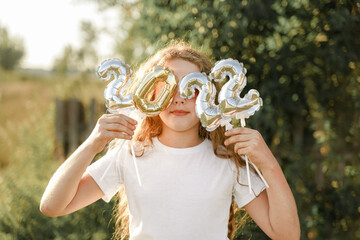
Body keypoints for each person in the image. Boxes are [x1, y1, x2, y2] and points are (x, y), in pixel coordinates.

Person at [40, 41, 300, 240]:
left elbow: (286, 234)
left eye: (192, 86)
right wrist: (93, 143)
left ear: (210, 95)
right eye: (168, 85)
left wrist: (268, 165)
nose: (179, 97)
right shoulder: (130, 154)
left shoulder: (227, 160)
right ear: (149, 93)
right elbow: (52, 205)